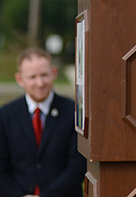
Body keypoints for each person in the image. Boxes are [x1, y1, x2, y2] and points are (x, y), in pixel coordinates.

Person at [0, 48, 86, 197]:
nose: (40, 83)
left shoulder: (73, 112)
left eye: (44, 75)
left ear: (53, 73)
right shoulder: (5, 115)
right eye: (32, 77)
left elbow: (77, 166)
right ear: (20, 79)